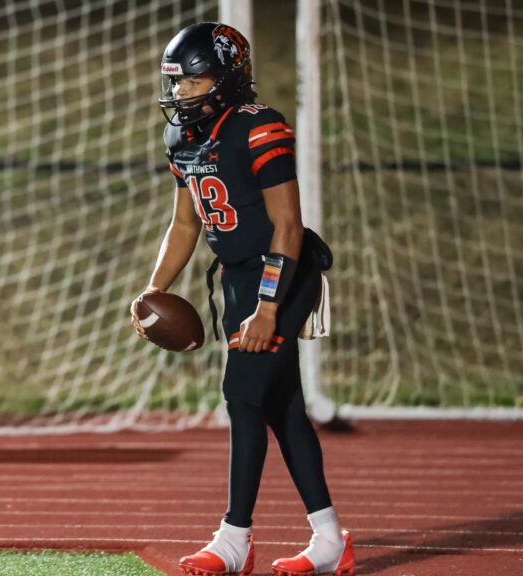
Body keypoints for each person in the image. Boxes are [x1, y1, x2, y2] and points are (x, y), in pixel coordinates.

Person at [129, 22, 355, 576]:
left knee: (242, 394)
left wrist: (269, 307)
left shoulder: (259, 126)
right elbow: (185, 224)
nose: (180, 92)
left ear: (227, 78)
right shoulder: (181, 136)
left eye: (192, 80)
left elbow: (288, 225)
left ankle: (234, 538)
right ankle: (330, 541)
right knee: (282, 407)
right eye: (175, 82)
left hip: (284, 273)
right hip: (235, 279)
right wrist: (155, 287)